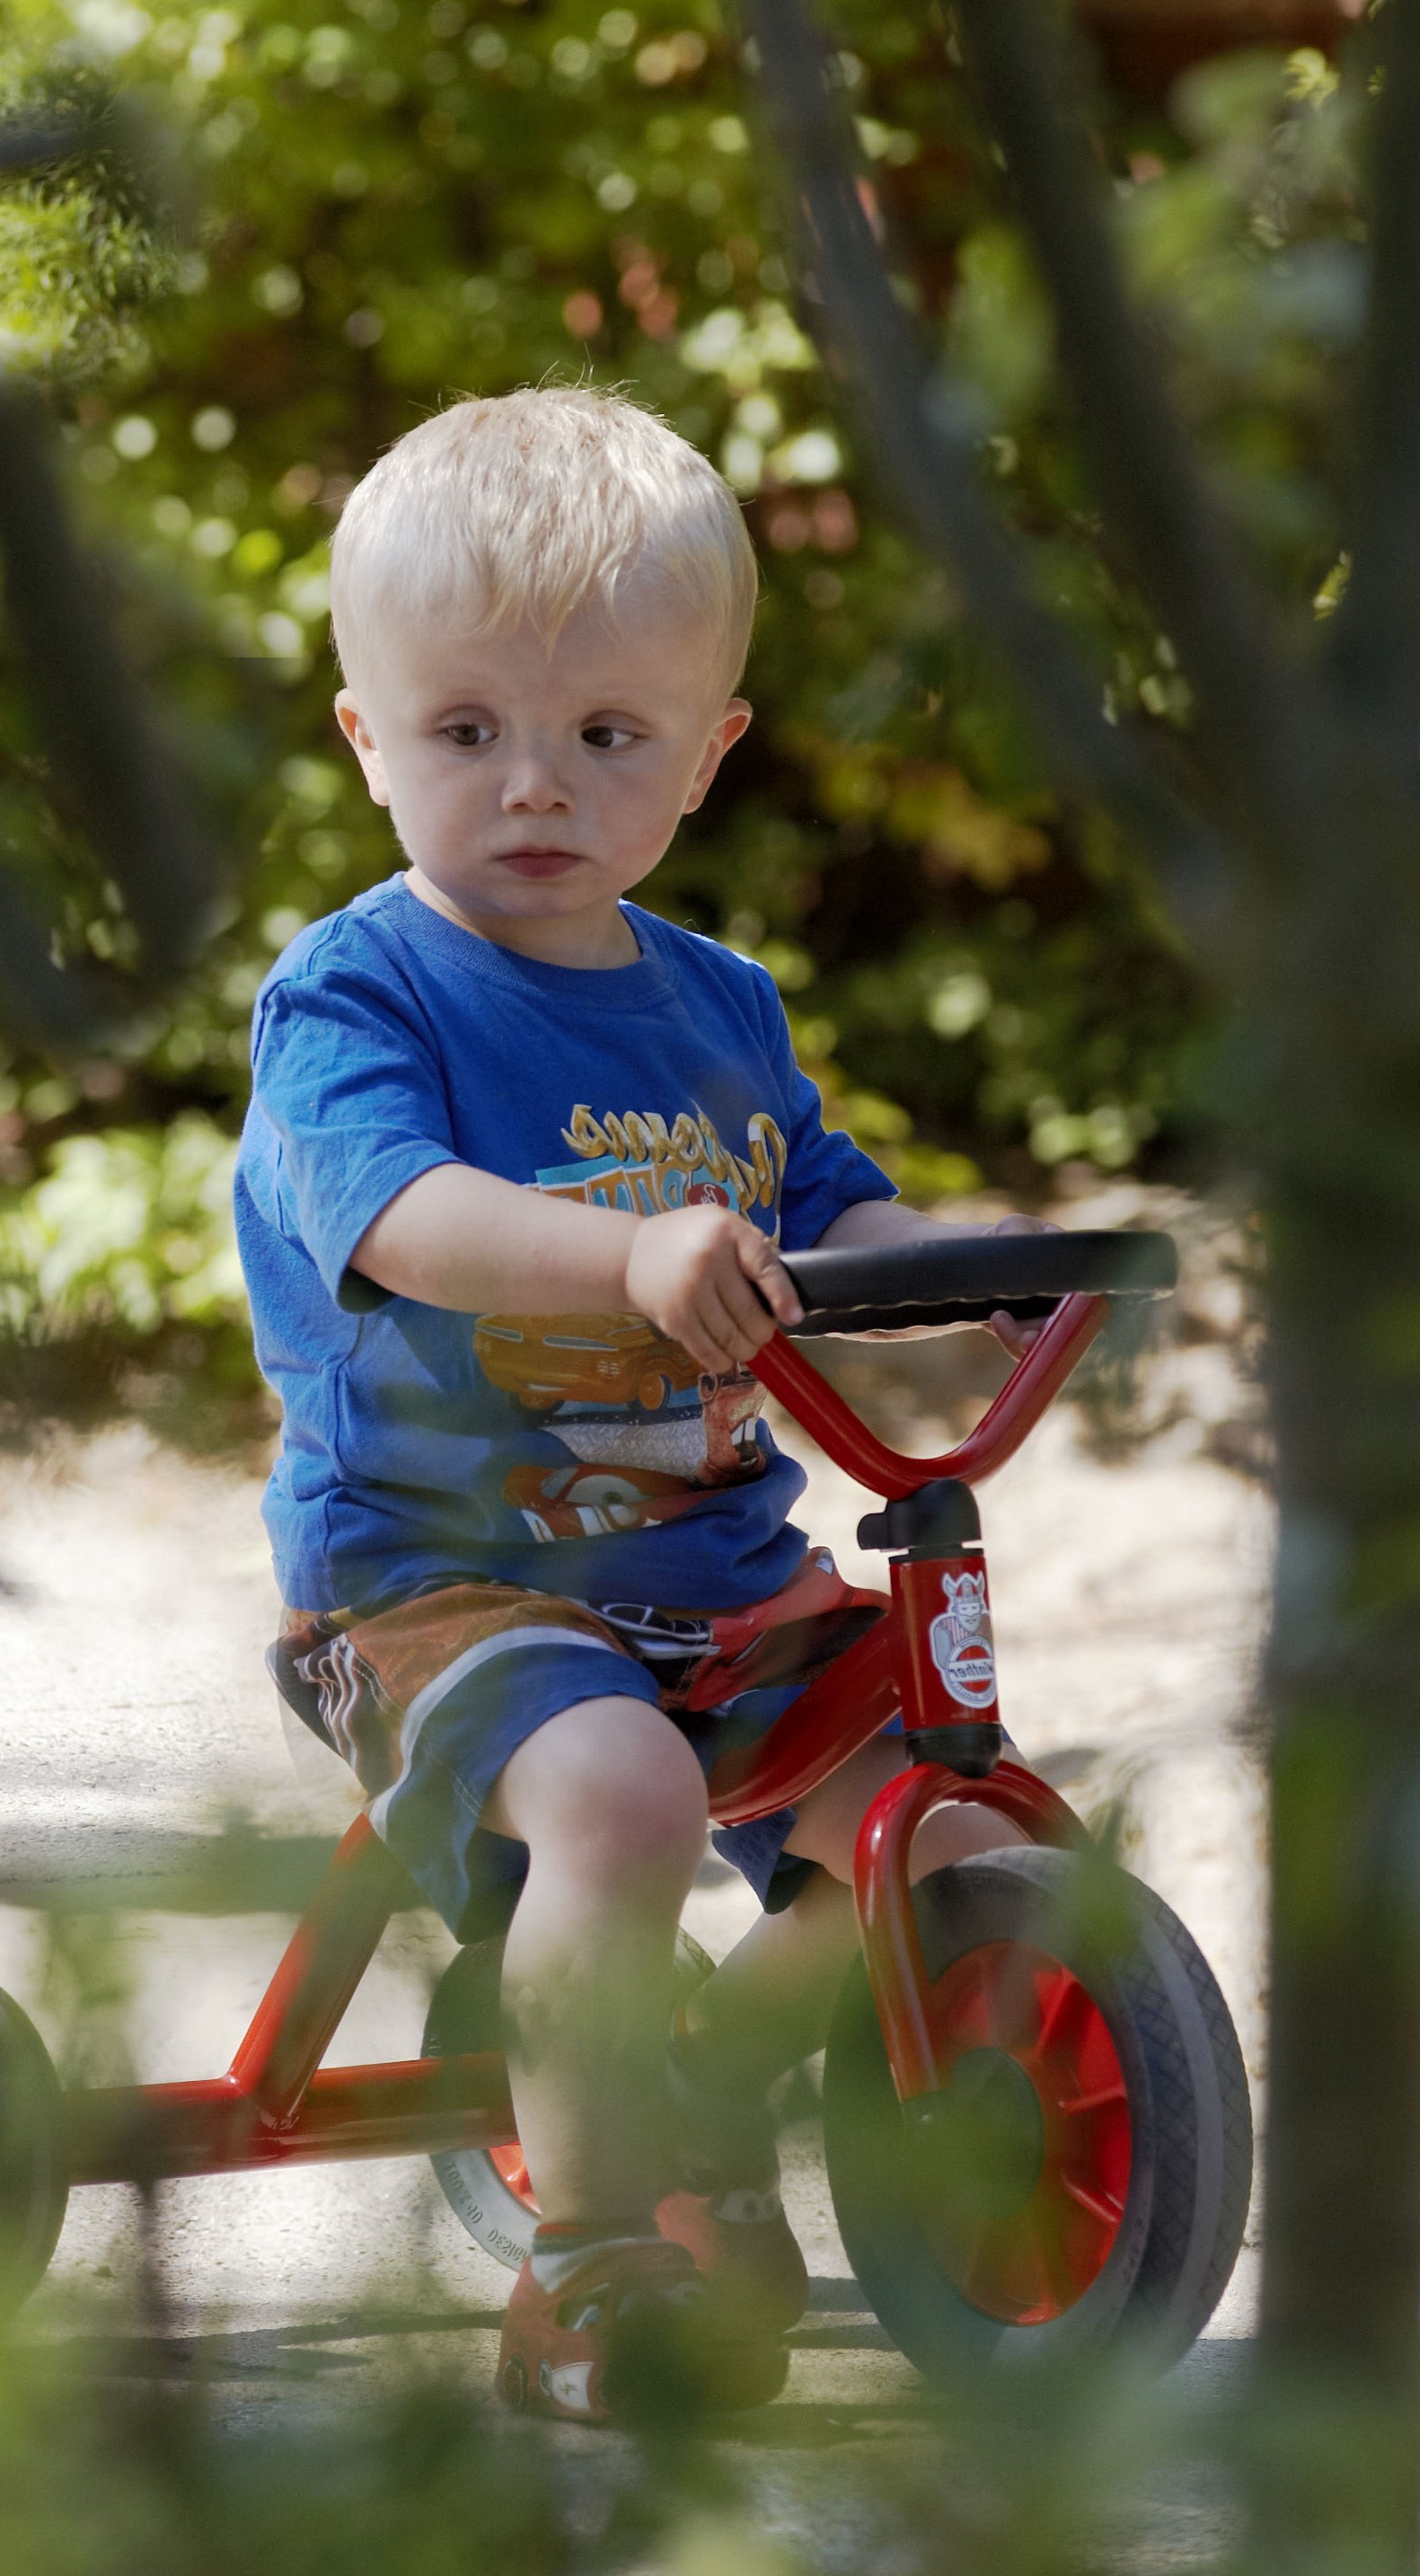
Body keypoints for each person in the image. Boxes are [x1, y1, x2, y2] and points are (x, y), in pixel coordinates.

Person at [239, 387, 1043, 2423]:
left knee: (947, 1808)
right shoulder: (358, 997)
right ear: (366, 738)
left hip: (711, 1571)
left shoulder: (716, 1005)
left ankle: (673, 2074)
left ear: (704, 753)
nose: (532, 784)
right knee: (617, 1798)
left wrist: (976, 1261)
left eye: (604, 734)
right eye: (464, 730)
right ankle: (588, 2267)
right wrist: (619, 1259)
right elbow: (397, 1217)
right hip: (433, 1584)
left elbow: (827, 1209)